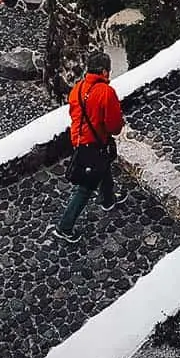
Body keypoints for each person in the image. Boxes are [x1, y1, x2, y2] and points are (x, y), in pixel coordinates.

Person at [55, 51, 124, 243]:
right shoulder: (105, 92)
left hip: (79, 141)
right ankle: (64, 227)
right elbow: (114, 125)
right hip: (94, 143)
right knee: (85, 187)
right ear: (103, 71)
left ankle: (108, 200)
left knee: (103, 165)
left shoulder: (77, 89)